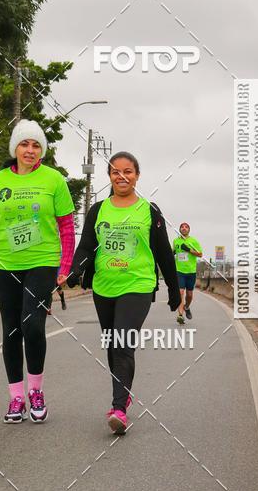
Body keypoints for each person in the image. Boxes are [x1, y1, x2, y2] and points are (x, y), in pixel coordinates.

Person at [0, 120, 75, 424]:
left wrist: (65, 266)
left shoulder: (53, 180)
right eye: (24, 144)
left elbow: (66, 226)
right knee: (12, 330)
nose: (30, 150)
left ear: (42, 150)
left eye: (36, 145)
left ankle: (36, 392)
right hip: (5, 264)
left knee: (32, 324)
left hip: (42, 261)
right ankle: (16, 397)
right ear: (14, 148)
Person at [68, 152, 181, 435]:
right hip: (104, 286)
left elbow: (164, 252)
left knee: (122, 342)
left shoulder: (149, 210)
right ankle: (124, 393)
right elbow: (86, 247)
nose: (122, 176)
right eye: (116, 172)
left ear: (137, 176)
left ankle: (119, 408)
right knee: (112, 343)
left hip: (138, 285)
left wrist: (173, 288)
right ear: (109, 176)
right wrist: (75, 270)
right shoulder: (97, 210)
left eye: (128, 171)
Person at [172, 223, 203, 323]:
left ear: (189, 230)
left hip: (191, 271)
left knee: (189, 295)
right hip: (179, 271)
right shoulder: (176, 241)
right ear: (180, 229)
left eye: (186, 227)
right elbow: (173, 251)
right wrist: (171, 253)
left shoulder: (193, 241)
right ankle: (180, 315)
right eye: (182, 227)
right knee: (180, 293)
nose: (184, 228)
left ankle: (187, 307)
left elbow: (200, 254)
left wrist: (189, 250)